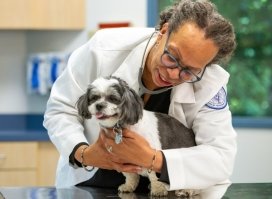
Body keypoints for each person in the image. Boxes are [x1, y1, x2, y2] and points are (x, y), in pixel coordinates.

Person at [43, 0, 237, 192]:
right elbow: (60, 110)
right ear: (163, 31)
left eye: (189, 70)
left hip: (172, 186)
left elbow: (220, 157)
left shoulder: (210, 82)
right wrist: (83, 154)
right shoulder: (102, 49)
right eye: (172, 57)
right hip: (93, 182)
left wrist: (152, 158)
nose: (173, 74)